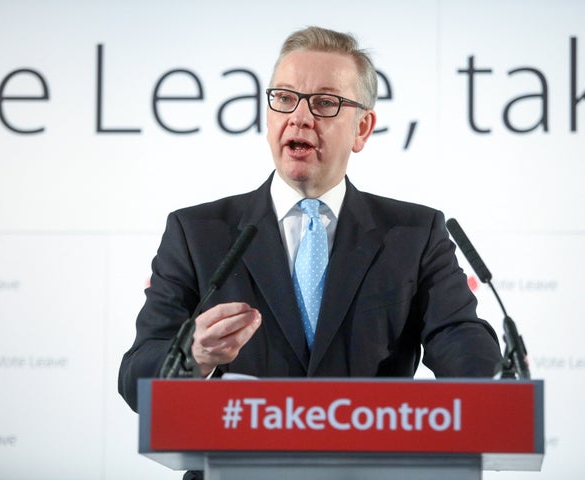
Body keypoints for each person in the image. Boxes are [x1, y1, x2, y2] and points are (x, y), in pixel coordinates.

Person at [118, 26, 501, 412]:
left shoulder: (414, 235)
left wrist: (496, 390)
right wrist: (193, 354)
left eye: (324, 103)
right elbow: (136, 379)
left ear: (362, 128)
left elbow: (458, 337)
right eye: (284, 98)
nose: (299, 118)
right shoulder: (197, 233)